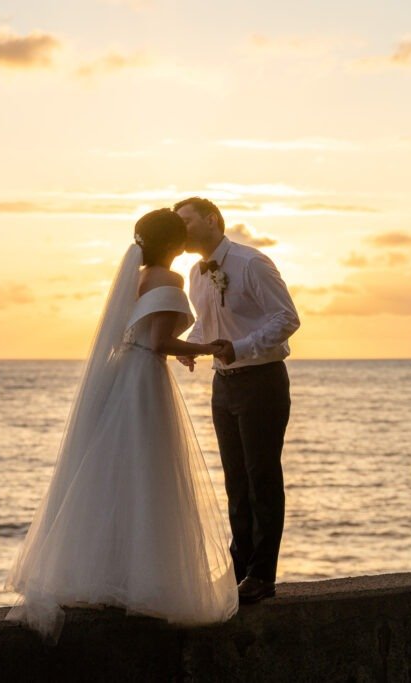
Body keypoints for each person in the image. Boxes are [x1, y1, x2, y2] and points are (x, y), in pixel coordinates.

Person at [4, 208, 239, 642]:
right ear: (174, 243)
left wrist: (183, 347)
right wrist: (211, 347)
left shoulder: (135, 275)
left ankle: (104, 575)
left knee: (110, 473)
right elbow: (158, 342)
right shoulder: (169, 279)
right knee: (148, 475)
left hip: (122, 372)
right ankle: (142, 580)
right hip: (144, 379)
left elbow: (143, 332)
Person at [175, 197, 300, 604]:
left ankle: (263, 575)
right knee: (235, 481)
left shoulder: (252, 263)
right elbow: (208, 325)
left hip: (262, 380)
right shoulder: (195, 273)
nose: (181, 230)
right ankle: (240, 568)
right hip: (223, 384)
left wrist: (239, 348)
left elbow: (287, 318)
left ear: (212, 220)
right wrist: (190, 347)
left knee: (261, 477)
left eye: (187, 222)